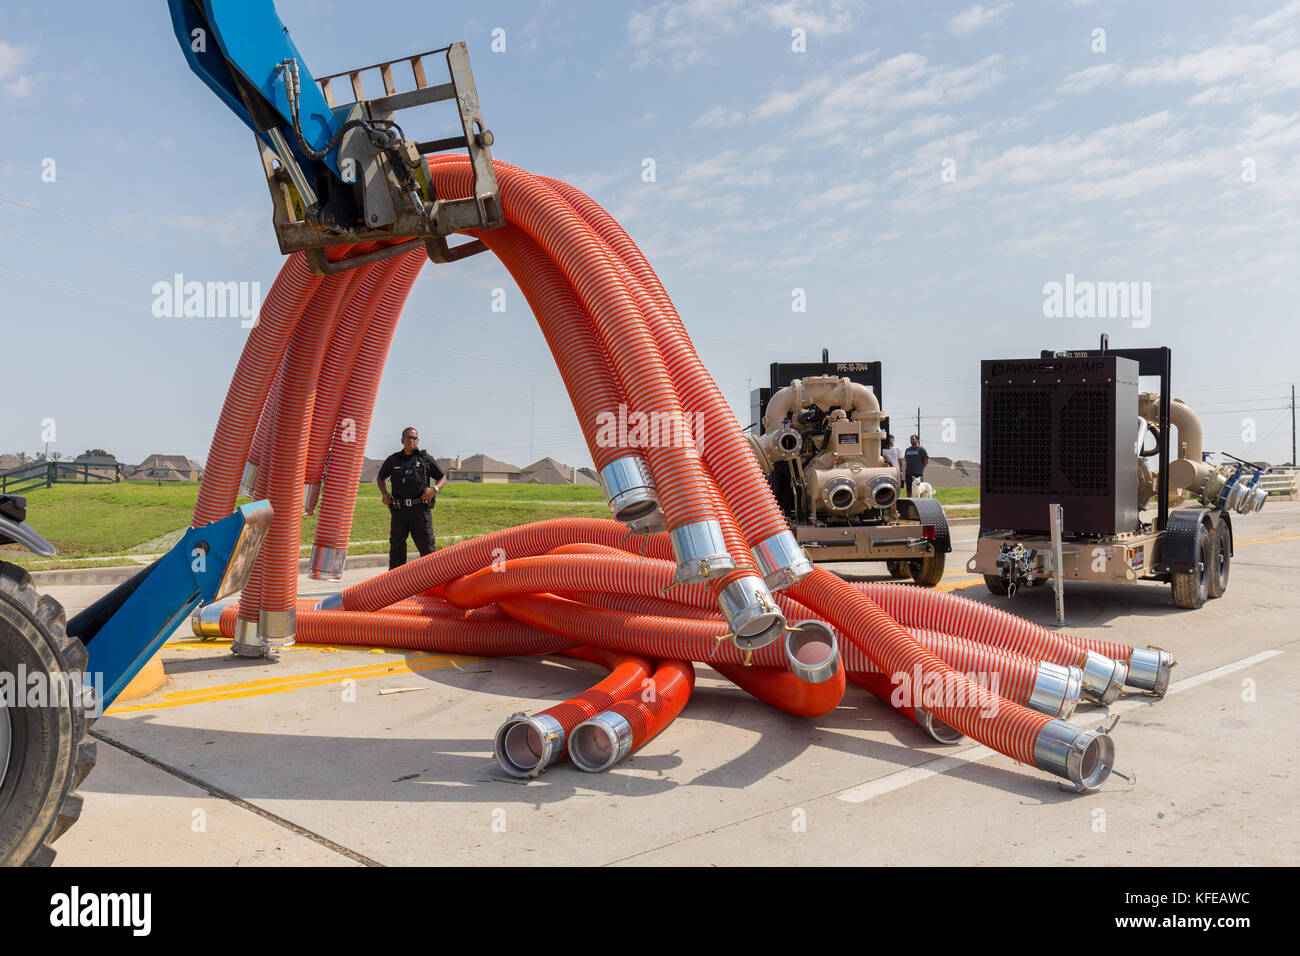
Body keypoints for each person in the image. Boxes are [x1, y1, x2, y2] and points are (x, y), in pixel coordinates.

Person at [377, 427, 446, 569]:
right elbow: (380, 477)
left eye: (414, 438)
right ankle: (395, 586)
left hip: (420, 511)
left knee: (427, 549)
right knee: (397, 549)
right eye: (407, 438)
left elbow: (442, 477)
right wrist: (384, 493)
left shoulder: (425, 458)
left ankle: (432, 585)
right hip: (399, 511)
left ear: (418, 440)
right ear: (402, 441)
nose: (411, 441)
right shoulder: (393, 459)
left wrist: (434, 490)